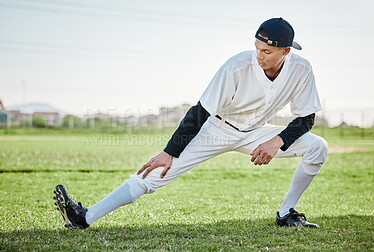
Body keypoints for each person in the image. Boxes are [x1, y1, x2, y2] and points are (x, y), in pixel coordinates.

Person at [54, 17, 328, 230]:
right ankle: (84, 217)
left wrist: (276, 140)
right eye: (256, 48)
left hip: (257, 133)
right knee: (156, 175)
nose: (258, 56)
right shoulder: (236, 66)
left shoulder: (301, 69)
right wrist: (169, 152)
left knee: (318, 148)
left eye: (266, 51)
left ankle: (285, 214)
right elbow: (200, 112)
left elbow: (306, 118)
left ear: (285, 51)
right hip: (216, 129)